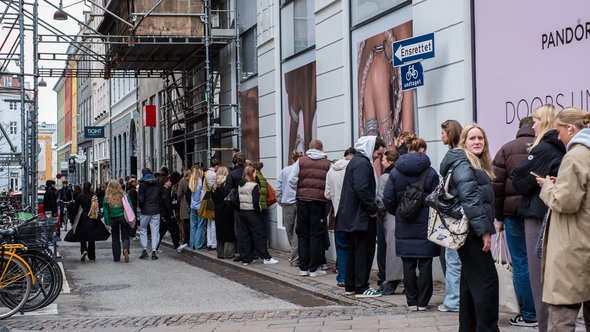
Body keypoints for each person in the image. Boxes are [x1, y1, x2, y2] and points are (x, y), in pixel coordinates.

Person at [535, 108, 590, 332]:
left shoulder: (576, 155)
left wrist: (548, 187)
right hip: (585, 242)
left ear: (570, 128)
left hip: (572, 247)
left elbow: (565, 203)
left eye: (558, 131)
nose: (558, 137)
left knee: (561, 318)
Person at [439, 124, 498, 331]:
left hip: (470, 231)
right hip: (473, 232)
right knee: (487, 282)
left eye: (480, 138)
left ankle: (468, 327)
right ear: (464, 142)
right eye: (472, 138)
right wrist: (484, 232)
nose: (477, 142)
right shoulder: (465, 164)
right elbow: (471, 200)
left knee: (469, 283)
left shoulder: (474, 163)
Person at [511, 104, 565, 332]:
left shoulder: (544, 148)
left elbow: (518, 176)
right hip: (546, 211)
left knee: (537, 277)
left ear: (543, 122)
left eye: (534, 120)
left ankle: (544, 326)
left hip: (537, 213)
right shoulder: (558, 147)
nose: (531, 125)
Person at [383, 135, 439, 309]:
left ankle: (411, 301)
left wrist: (399, 212)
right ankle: (423, 302)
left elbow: (388, 198)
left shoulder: (395, 171)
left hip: (404, 223)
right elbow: (437, 199)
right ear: (423, 150)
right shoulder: (430, 172)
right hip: (425, 223)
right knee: (425, 263)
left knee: (408, 263)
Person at [492, 116, 538, 327]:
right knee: (540, 261)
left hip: (513, 214)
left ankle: (529, 313)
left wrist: (499, 218)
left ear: (519, 128)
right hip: (539, 212)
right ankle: (543, 311)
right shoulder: (544, 147)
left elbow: (497, 188)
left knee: (520, 262)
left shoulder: (506, 149)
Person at [337, 136, 385, 298]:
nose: (377, 157)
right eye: (377, 154)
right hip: (361, 217)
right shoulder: (363, 164)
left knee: (353, 251)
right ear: (371, 148)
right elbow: (362, 189)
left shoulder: (356, 162)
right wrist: (372, 208)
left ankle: (351, 285)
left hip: (352, 216)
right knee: (363, 252)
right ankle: (361, 287)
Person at [288, 139, 331, 277]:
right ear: (321, 148)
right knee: (316, 234)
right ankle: (314, 268)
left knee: (303, 234)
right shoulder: (327, 163)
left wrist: (300, 190)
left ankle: (303, 267)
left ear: (309, 148)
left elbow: (292, 180)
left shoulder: (301, 161)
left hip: (302, 201)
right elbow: (329, 183)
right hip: (318, 202)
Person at [438, 119, 463, 313]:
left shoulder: (453, 157)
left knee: (453, 258)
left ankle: (454, 300)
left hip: (455, 213)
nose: (441, 136)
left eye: (443, 133)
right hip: (460, 212)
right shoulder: (463, 155)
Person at [325, 147, 356, 287]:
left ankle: (342, 277)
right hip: (352, 213)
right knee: (354, 247)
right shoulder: (352, 169)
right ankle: (354, 277)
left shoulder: (331, 170)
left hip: (338, 214)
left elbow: (326, 194)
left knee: (342, 247)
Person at [236, 165, 278, 266]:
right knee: (259, 235)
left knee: (246, 235)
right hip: (252, 212)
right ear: (252, 173)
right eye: (254, 172)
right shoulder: (253, 185)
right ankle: (266, 257)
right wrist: (258, 210)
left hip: (243, 211)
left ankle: (247, 259)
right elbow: (255, 202)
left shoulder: (240, 185)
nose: (256, 174)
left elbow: (238, 199)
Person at [376, 149, 403, 295]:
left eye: (384, 160)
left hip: (390, 217)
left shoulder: (385, 177)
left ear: (390, 162)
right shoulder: (404, 174)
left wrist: (380, 215)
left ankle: (392, 280)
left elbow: (381, 200)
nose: (381, 162)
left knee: (392, 251)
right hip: (405, 217)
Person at [65, 182, 110, 261]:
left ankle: (84, 250)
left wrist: (72, 220)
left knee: (82, 237)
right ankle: (92, 256)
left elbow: (75, 209)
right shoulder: (94, 196)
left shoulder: (80, 196)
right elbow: (101, 205)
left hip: (82, 218)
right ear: (90, 187)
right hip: (92, 218)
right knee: (92, 238)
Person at [276, 150, 303, 266]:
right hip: (299, 201)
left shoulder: (285, 170)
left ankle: (295, 257)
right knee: (298, 231)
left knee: (290, 231)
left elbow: (278, 187)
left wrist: (280, 200)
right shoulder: (302, 170)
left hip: (287, 202)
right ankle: (295, 256)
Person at [103, 180, 133, 263]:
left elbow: (106, 212)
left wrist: (107, 223)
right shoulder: (124, 195)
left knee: (115, 237)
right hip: (124, 217)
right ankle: (126, 249)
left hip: (113, 219)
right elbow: (130, 207)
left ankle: (116, 257)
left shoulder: (107, 197)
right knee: (125, 235)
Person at [138, 168, 164, 260]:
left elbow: (141, 199)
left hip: (145, 210)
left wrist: (141, 207)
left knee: (143, 230)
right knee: (155, 231)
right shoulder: (158, 183)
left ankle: (144, 249)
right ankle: (154, 251)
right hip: (155, 210)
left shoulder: (142, 184)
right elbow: (162, 197)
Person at [225, 152, 246, 261]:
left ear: (234, 162)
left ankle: (243, 253)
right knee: (250, 229)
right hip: (250, 205)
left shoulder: (232, 175)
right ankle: (251, 251)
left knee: (239, 230)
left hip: (238, 206)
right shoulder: (249, 173)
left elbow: (228, 193)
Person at [212, 166, 235, 259]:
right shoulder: (227, 184)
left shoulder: (214, 184)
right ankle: (228, 253)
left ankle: (220, 253)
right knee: (229, 231)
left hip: (217, 210)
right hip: (227, 209)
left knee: (219, 231)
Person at [157, 175, 183, 252]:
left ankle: (155, 247)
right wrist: (171, 214)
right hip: (167, 215)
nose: (170, 182)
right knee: (175, 229)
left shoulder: (162, 191)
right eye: (169, 181)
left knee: (161, 231)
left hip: (163, 214)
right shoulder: (165, 192)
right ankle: (177, 245)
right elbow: (167, 204)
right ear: (165, 183)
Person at [202, 160, 219, 250]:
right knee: (213, 222)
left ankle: (209, 242)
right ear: (216, 166)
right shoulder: (213, 174)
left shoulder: (206, 173)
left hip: (205, 198)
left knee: (208, 222)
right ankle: (213, 243)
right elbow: (214, 187)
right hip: (211, 199)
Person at [188, 165, 206, 250]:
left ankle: (192, 244)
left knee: (193, 226)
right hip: (200, 206)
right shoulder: (200, 181)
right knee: (200, 226)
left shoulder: (192, 181)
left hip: (193, 206)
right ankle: (198, 244)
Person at [176, 169, 192, 247]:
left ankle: (186, 240)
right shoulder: (192, 181)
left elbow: (178, 194)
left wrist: (181, 198)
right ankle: (191, 239)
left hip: (184, 203)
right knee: (191, 223)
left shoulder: (182, 182)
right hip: (192, 203)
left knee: (186, 223)